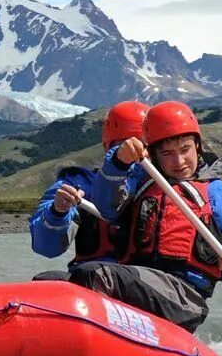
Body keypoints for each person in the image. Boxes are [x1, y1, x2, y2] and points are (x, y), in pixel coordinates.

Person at [69, 102, 222, 333]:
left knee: (94, 275)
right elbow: (107, 207)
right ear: (154, 155)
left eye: (185, 149)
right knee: (53, 281)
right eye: (167, 153)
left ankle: (97, 351)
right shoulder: (142, 184)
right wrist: (117, 162)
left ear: (197, 146)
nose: (179, 162)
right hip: (139, 282)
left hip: (184, 296)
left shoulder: (219, 194)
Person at [29, 101, 149, 278]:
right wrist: (58, 212)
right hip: (93, 278)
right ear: (108, 148)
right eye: (123, 145)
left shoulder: (164, 186)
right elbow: (46, 248)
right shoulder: (77, 183)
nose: (132, 151)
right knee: (46, 280)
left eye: (143, 145)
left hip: (144, 282)